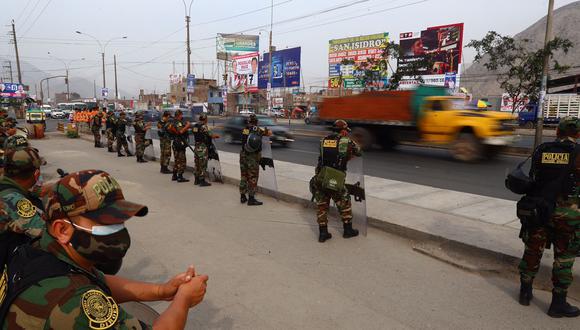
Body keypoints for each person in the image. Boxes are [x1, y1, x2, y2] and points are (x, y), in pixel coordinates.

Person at [0, 170, 209, 328]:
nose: (118, 232)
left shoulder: (43, 249)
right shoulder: (73, 301)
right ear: (62, 229)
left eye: (120, 221)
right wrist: (183, 300)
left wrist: (162, 291)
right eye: (105, 223)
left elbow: (97, 278)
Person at [518, 117, 580, 318]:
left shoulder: (542, 149)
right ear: (577, 134)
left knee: (532, 250)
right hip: (568, 216)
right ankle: (558, 304)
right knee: (564, 259)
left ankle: (525, 293)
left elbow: (533, 177)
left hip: (540, 210)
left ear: (558, 132)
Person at [312, 120, 362, 243]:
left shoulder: (323, 140)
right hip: (336, 178)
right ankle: (347, 230)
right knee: (344, 202)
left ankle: (323, 233)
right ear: (344, 130)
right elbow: (359, 151)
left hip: (322, 177)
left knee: (322, 205)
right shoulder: (346, 141)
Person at [0, 147, 45, 272]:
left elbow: (32, 191)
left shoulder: (4, 184)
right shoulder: (13, 200)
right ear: (36, 174)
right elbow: (45, 234)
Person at [239, 114, 269, 206]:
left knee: (244, 175)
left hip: (243, 155)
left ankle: (243, 196)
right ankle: (251, 199)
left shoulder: (245, 129)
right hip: (252, 157)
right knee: (252, 177)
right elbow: (267, 133)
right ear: (256, 121)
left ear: (249, 121)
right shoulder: (257, 129)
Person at [192, 113, 219, 187]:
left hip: (196, 146)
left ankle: (196, 179)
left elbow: (194, 133)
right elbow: (210, 134)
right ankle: (202, 181)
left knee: (197, 163)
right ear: (205, 119)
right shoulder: (203, 126)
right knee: (203, 164)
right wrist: (216, 136)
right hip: (203, 147)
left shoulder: (195, 126)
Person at [168, 110, 191, 183]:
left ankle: (174, 175)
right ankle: (180, 177)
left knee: (177, 160)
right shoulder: (178, 123)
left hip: (175, 143)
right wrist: (187, 126)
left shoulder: (173, 122)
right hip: (179, 143)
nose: (182, 116)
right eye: (181, 115)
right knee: (182, 161)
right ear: (179, 115)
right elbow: (180, 131)